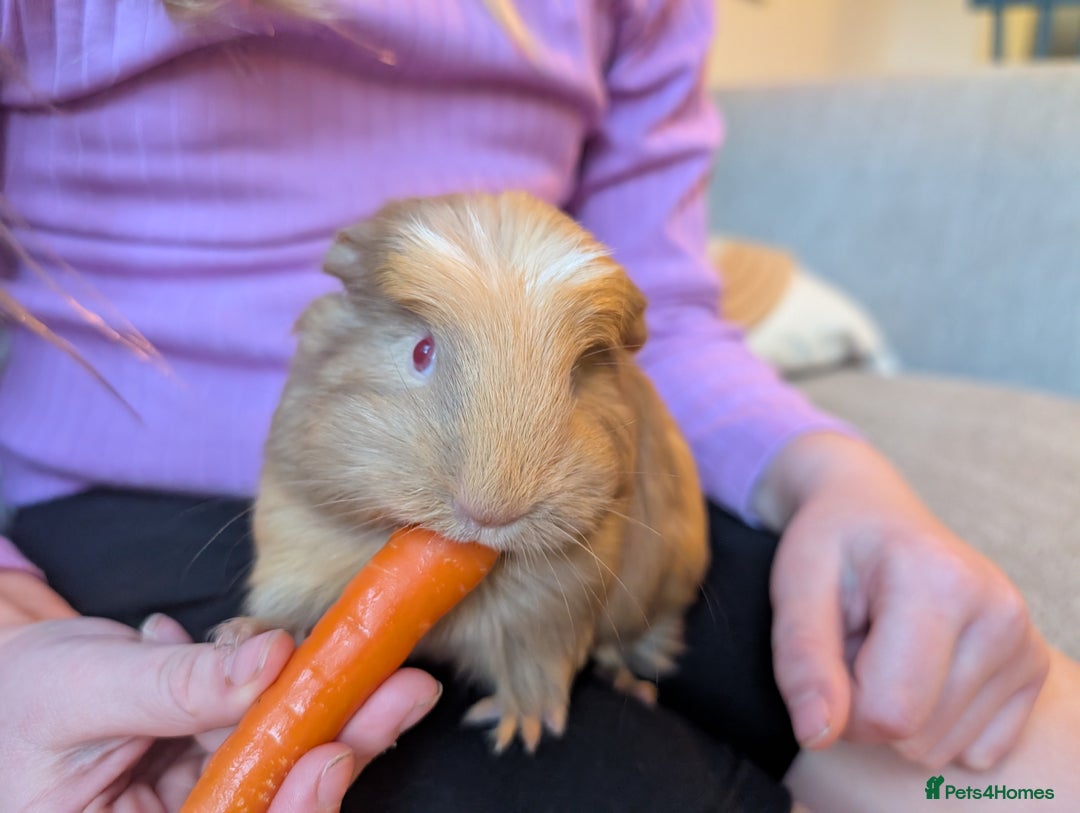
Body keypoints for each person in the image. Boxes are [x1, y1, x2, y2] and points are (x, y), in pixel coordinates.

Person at [1, 1, 1076, 811]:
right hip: (129, 497)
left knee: (995, 747)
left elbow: (665, 313)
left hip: (579, 500)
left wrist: (840, 482)